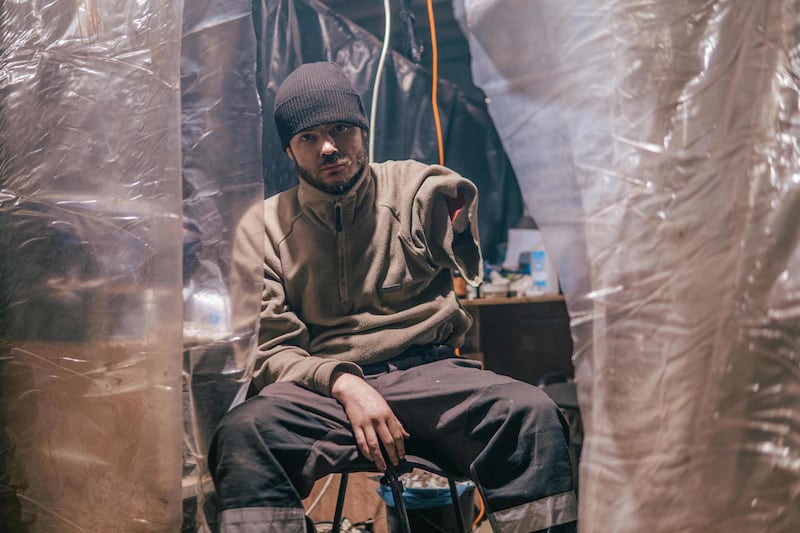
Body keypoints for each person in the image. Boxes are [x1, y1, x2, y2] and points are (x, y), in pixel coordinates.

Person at [209, 61, 577, 533]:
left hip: (432, 381)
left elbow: (442, 195)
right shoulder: (263, 226)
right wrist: (344, 383)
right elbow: (269, 348)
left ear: (362, 131)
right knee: (244, 434)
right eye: (308, 137)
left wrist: (453, 216)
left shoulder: (409, 187)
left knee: (530, 415)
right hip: (326, 395)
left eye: (341, 129)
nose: (328, 147)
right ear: (289, 149)